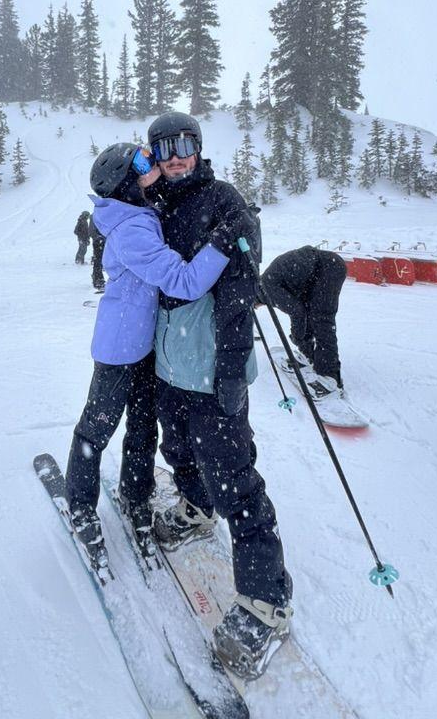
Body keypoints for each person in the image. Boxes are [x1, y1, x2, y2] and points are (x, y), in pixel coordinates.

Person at [146, 111, 293, 679]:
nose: (176, 156)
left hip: (212, 366)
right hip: (170, 362)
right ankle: (194, 506)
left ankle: (266, 599)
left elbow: (239, 297)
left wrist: (231, 371)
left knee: (233, 475)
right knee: (178, 448)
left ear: (199, 147)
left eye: (185, 144)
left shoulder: (224, 202)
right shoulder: (157, 203)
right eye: (164, 148)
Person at [65, 142, 249, 565]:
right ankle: (80, 504)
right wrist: (221, 243)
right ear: (125, 181)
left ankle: (136, 493)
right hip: (118, 349)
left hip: (145, 345)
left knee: (144, 427)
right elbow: (184, 281)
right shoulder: (131, 229)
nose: (153, 163)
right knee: (97, 428)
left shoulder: (141, 213)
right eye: (142, 161)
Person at [260, 246, 348, 398]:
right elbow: (301, 310)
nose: (257, 308)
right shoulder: (267, 283)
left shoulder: (267, 289)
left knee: (322, 320)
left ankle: (330, 377)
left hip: (327, 268)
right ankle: (310, 356)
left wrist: (298, 338)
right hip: (320, 270)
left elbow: (297, 312)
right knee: (311, 313)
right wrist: (303, 343)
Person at [88, 214, 106, 291]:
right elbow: (91, 231)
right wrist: (98, 237)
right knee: (98, 260)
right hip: (99, 241)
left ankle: (97, 278)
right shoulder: (96, 215)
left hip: (101, 240)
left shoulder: (97, 215)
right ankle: (98, 280)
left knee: (99, 260)